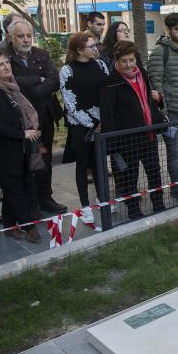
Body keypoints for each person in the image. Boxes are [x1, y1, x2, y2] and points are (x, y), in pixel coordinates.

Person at [0, 46, 42, 243]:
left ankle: (9, 226)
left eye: (6, 62)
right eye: (0, 65)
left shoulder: (13, 87)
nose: (6, 67)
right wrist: (21, 134)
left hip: (19, 150)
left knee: (21, 185)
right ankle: (29, 228)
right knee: (14, 190)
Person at [5, 19, 68, 214]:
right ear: (10, 37)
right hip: (19, 118)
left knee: (44, 157)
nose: (25, 40)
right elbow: (10, 82)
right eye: (20, 36)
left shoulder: (41, 54)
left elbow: (54, 80)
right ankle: (29, 201)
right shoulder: (4, 58)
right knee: (25, 160)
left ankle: (45, 197)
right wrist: (36, 80)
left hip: (45, 115)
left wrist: (32, 90)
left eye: (28, 36)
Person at [100, 40, 166, 219]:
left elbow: (148, 101)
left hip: (149, 134)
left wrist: (158, 117)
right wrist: (113, 145)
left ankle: (158, 203)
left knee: (154, 171)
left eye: (131, 60)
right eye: (124, 61)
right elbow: (107, 115)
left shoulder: (142, 73)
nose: (129, 65)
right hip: (127, 139)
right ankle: (134, 210)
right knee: (130, 175)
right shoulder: (110, 82)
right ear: (117, 61)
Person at [60, 31, 110, 224]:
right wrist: (91, 123)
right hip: (81, 126)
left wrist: (104, 119)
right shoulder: (67, 70)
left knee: (99, 163)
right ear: (80, 50)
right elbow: (70, 103)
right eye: (91, 46)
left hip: (101, 122)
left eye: (95, 45)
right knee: (82, 165)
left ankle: (102, 198)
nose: (95, 49)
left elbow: (107, 92)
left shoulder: (100, 65)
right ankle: (85, 205)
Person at [147, 13, 178, 204]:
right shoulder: (160, 52)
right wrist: (164, 111)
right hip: (172, 113)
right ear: (168, 30)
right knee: (174, 152)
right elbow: (155, 84)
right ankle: (177, 189)